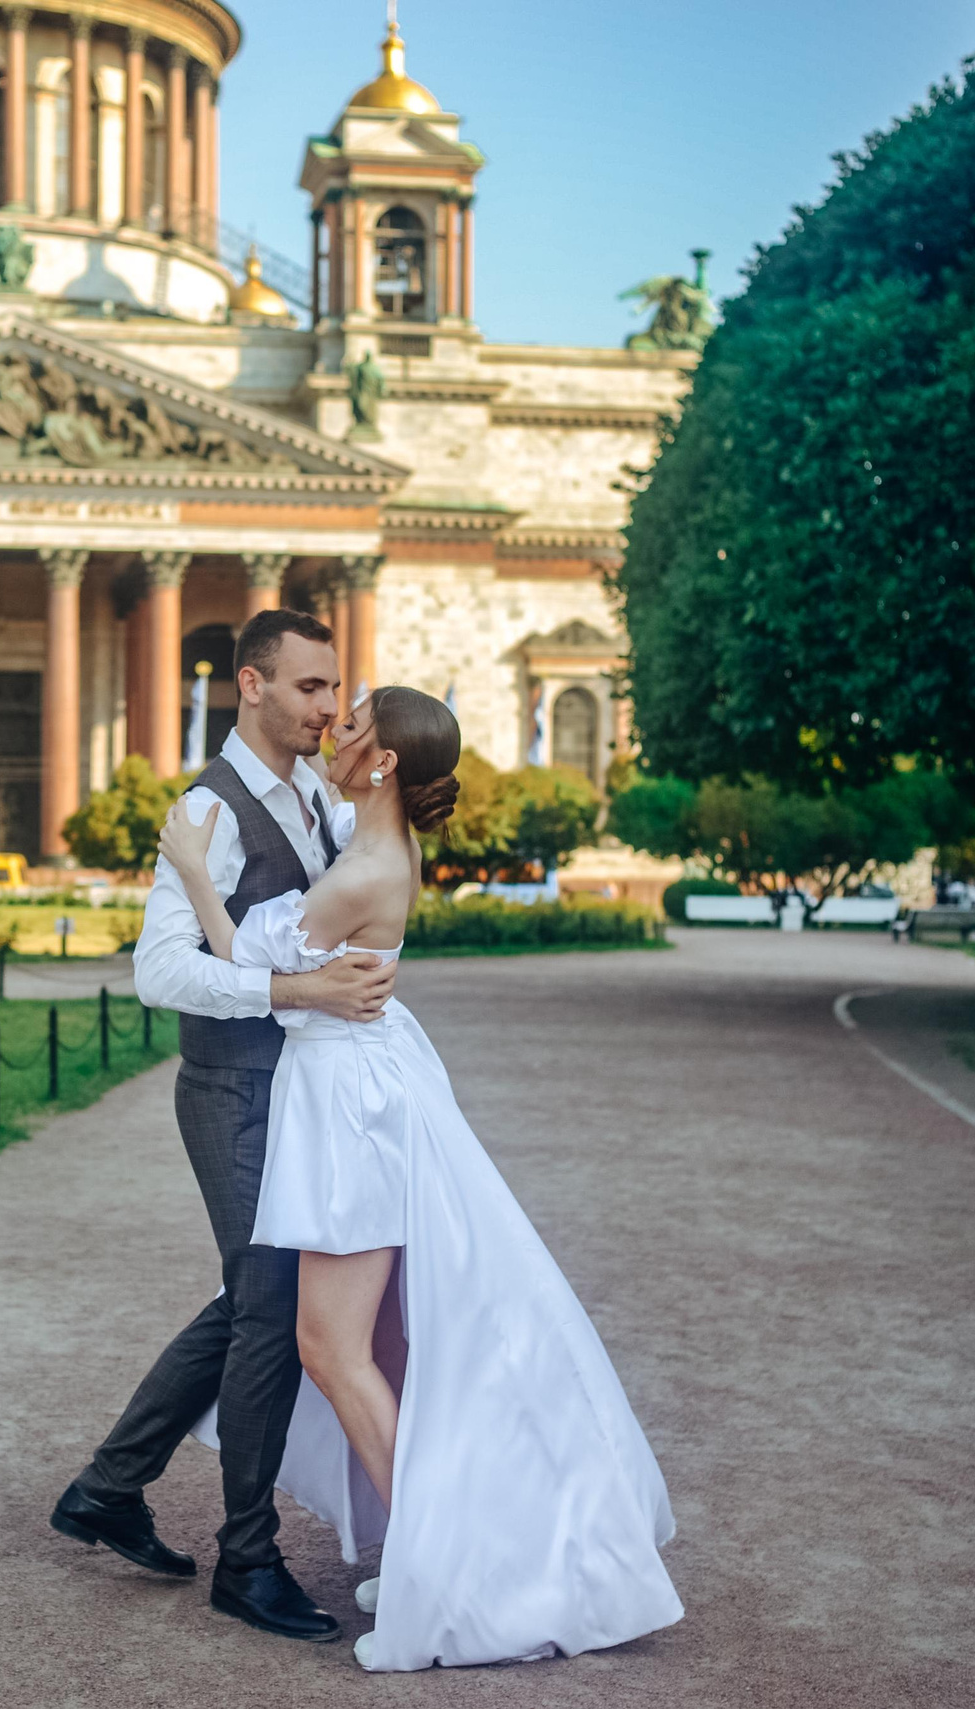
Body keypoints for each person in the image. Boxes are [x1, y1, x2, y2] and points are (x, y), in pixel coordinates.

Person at [158, 686, 682, 1672]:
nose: (334, 728)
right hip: (361, 1085)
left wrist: (193, 868)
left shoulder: (363, 868)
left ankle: (454, 1570)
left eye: (352, 724)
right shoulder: (372, 846)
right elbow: (308, 976)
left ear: (386, 761)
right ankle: (433, 1551)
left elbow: (243, 964)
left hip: (347, 1107)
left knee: (332, 1346)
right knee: (379, 1344)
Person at [50, 608, 394, 1645]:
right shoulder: (208, 807)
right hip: (234, 1091)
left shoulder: (314, 798)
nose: (328, 706)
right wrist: (297, 990)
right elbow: (159, 970)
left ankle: (109, 1486)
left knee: (249, 1299)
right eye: (309, 687)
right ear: (251, 684)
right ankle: (246, 1558)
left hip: (295, 1091)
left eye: (334, 687)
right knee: (269, 1310)